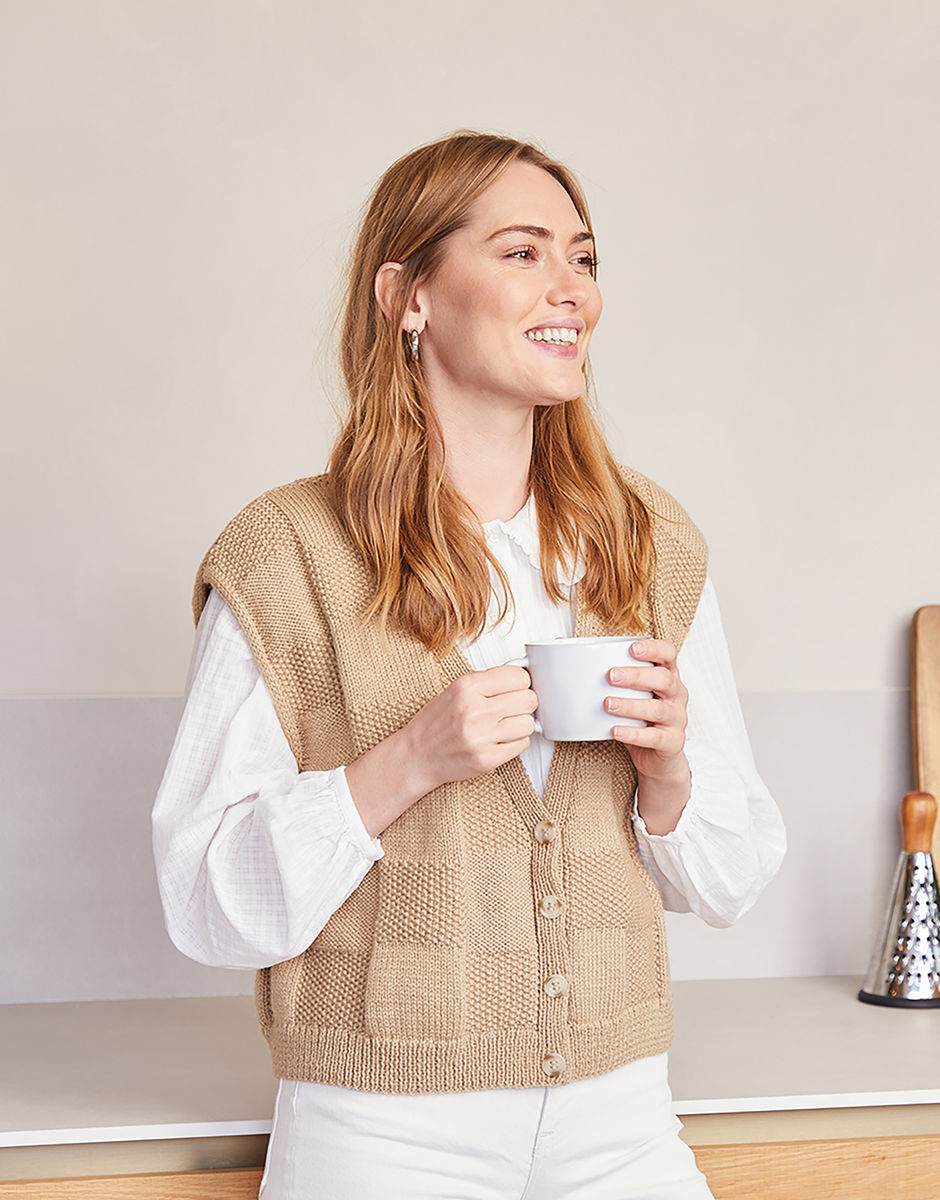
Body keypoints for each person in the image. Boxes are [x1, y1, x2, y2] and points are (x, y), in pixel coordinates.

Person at [153, 131, 785, 1200]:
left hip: (621, 1116)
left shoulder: (648, 541)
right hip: (381, 1132)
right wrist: (406, 761)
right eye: (522, 252)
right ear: (409, 296)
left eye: (583, 258)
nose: (569, 289)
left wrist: (672, 775)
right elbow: (204, 902)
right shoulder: (285, 556)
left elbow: (732, 878)